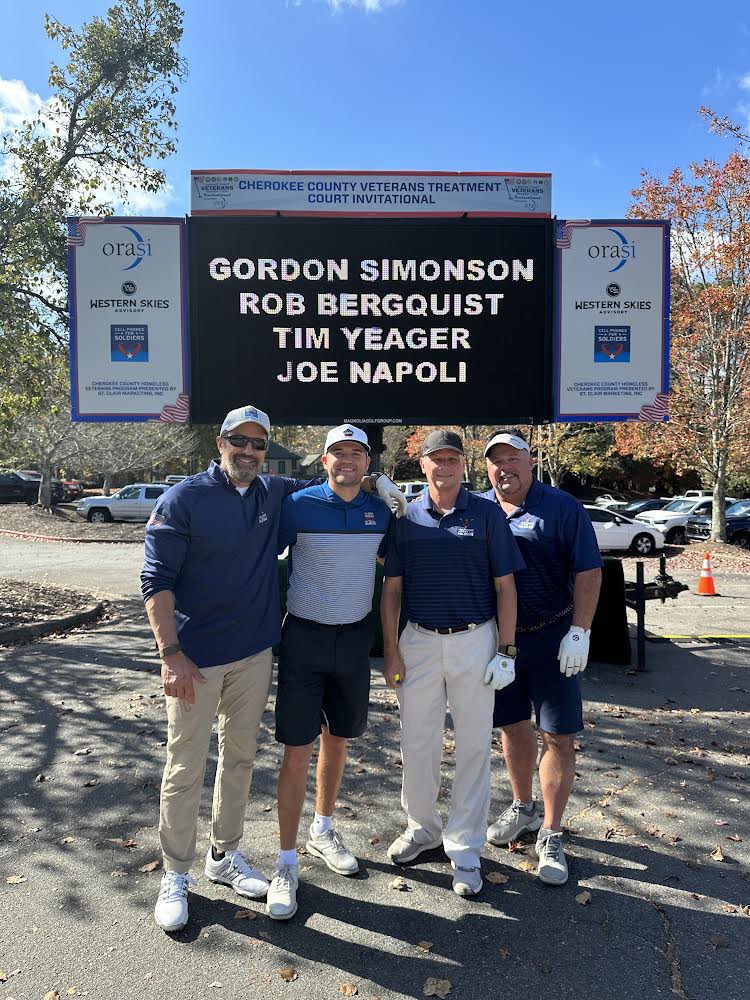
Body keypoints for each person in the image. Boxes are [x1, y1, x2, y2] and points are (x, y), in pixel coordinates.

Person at [142, 406, 406, 933]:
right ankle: (176, 872)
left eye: (258, 443)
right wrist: (170, 652)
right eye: (239, 440)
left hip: (256, 650)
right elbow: (155, 580)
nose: (249, 450)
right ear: (220, 443)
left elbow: (338, 478)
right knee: (186, 763)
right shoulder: (184, 498)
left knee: (239, 758)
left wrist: (377, 478)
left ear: (267, 450)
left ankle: (224, 855)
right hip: (194, 655)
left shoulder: (275, 492)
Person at [380, 429, 524, 897]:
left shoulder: (485, 513)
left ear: (464, 465)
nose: (444, 467)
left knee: (473, 747)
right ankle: (423, 828)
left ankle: (464, 847)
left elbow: (506, 587)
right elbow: (392, 590)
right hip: (418, 641)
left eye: (452, 459)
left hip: (474, 639)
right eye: (435, 459)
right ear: (422, 465)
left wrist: (506, 650)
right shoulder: (406, 515)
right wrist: (391, 649)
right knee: (417, 742)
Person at [265, 424, 392, 920]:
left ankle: (322, 828)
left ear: (367, 462)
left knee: (337, 739)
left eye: (356, 453)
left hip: (354, 640)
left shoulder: (380, 510)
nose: (347, 461)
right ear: (323, 461)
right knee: (296, 751)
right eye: (337, 453)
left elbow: (397, 572)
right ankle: (285, 861)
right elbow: (255, 554)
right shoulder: (298, 506)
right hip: (304, 638)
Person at [481, 429, 602, 886]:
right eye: (496, 461)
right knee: (512, 727)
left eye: (514, 459)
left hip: (554, 640)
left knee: (559, 737)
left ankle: (551, 831)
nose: (504, 468)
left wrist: (580, 631)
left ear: (530, 463)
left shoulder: (562, 507)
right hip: (502, 644)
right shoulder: (479, 507)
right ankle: (523, 807)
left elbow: (589, 570)